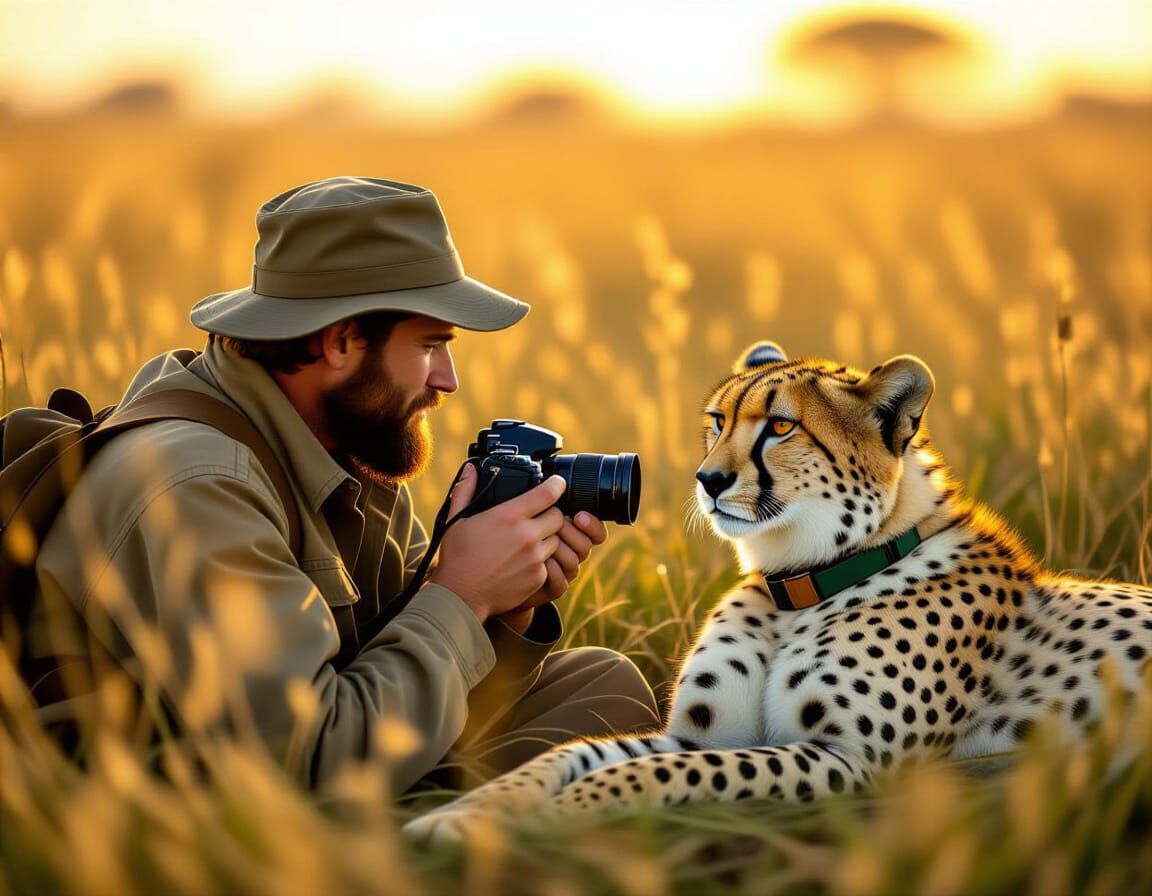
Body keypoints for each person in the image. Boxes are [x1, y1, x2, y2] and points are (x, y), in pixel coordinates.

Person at [31, 176, 659, 791]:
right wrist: (462, 596)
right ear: (340, 341)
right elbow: (305, 761)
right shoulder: (197, 484)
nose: (448, 380)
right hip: (188, 817)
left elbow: (402, 672)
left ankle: (471, 833)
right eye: (431, 345)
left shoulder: (344, 441)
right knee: (587, 764)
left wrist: (504, 605)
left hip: (330, 752)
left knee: (603, 691)